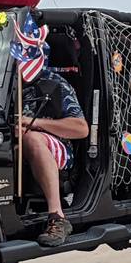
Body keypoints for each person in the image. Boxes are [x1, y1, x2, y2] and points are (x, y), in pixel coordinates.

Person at [21, 69, 89, 247]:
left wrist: (33, 123)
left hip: (55, 146)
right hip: (10, 145)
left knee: (31, 138)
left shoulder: (53, 82)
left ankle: (57, 216)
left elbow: (81, 128)